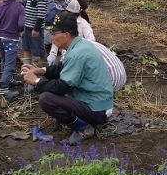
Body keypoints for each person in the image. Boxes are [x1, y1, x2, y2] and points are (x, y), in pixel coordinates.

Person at [21, 12, 114, 145]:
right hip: (96, 101)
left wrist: (36, 81)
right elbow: (62, 68)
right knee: (52, 90)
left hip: (97, 108)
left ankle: (83, 127)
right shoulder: (80, 44)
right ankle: (79, 121)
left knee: (46, 99)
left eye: (54, 33)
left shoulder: (77, 53)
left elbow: (61, 86)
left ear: (66, 35)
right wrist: (40, 71)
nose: (52, 37)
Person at [47, 0, 95, 65]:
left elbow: (91, 40)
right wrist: (52, 54)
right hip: (64, 52)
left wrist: (80, 50)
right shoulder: (63, 21)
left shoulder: (83, 24)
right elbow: (57, 38)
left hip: (78, 54)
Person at [22, 0, 48, 66]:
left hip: (35, 30)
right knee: (26, 48)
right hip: (27, 27)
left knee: (39, 51)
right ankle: (26, 70)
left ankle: (44, 69)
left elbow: (41, 14)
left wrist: (36, 29)